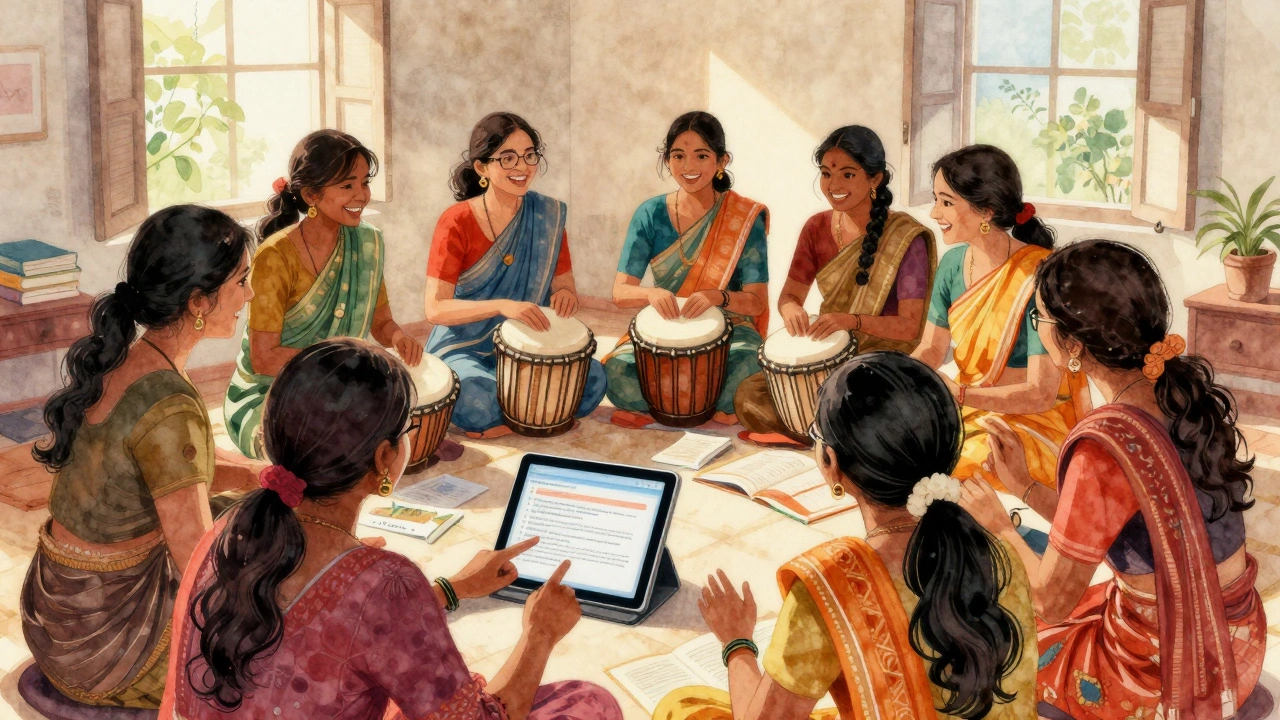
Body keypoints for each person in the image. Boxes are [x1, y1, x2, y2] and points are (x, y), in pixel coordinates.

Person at [161, 338, 623, 719]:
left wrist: (452, 588)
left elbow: (332, 634)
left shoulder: (229, 526)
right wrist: (539, 633)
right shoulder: (383, 582)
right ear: (385, 458)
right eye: (406, 431)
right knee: (588, 703)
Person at [958, 239, 1266, 720]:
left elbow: (1052, 600)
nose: (1036, 330)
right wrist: (1024, 487)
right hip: (1236, 645)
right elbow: (1124, 523)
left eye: (1040, 321)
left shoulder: (1106, 446)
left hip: (1162, 672)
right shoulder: (1187, 401)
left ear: (1073, 345)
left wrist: (999, 524)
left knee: (992, 643)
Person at [655, 352, 1038, 720]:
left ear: (830, 463)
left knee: (684, 707)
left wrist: (736, 642)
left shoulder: (833, 583)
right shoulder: (1000, 550)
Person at [21, 205, 258, 709]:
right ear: (198, 302)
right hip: (108, 648)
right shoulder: (170, 404)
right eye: (242, 281)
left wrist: (261, 476)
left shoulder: (127, 363)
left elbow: (171, 477)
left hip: (56, 618)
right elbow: (197, 564)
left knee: (246, 510)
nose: (249, 296)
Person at [224, 129, 424, 459]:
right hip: (276, 392)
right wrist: (342, 363)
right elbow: (263, 358)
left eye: (364, 182)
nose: (362, 195)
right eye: (348, 185)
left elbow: (381, 323)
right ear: (312, 195)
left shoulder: (368, 243)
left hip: (344, 383)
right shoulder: (275, 257)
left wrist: (399, 337)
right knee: (322, 448)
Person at [735, 125, 935, 447]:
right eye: (826, 174)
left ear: (875, 179)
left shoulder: (905, 238)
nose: (834, 185)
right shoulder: (816, 227)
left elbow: (910, 328)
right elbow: (789, 295)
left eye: (847, 174)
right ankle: (827, 435)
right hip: (829, 347)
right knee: (748, 395)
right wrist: (791, 310)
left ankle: (816, 432)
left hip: (881, 358)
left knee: (860, 404)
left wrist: (852, 321)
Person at [911, 145, 1089, 492]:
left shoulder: (1039, 275)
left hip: (1032, 423)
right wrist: (891, 378)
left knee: (955, 470)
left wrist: (962, 396)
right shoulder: (952, 265)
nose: (934, 213)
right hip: (968, 409)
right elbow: (931, 350)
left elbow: (1040, 394)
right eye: (936, 199)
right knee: (907, 450)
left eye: (946, 202)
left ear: (986, 212)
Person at [424, 112, 605, 439]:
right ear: (482, 167)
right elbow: (435, 308)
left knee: (593, 380)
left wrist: (564, 297)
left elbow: (564, 288)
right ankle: (520, 408)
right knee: (478, 401)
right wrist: (501, 306)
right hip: (464, 345)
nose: (522, 168)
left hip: (527, 342)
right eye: (507, 158)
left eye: (529, 156)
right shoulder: (456, 221)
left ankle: (520, 407)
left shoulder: (548, 215)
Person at [605, 111, 769, 428]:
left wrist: (718, 297)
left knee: (748, 367)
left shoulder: (745, 217)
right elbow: (620, 293)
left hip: (729, 330)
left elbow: (756, 302)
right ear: (667, 160)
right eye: (679, 156)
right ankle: (686, 403)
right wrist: (651, 293)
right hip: (663, 328)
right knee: (616, 374)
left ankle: (673, 403)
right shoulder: (650, 213)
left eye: (701, 155)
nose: (689, 167)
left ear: (722, 160)